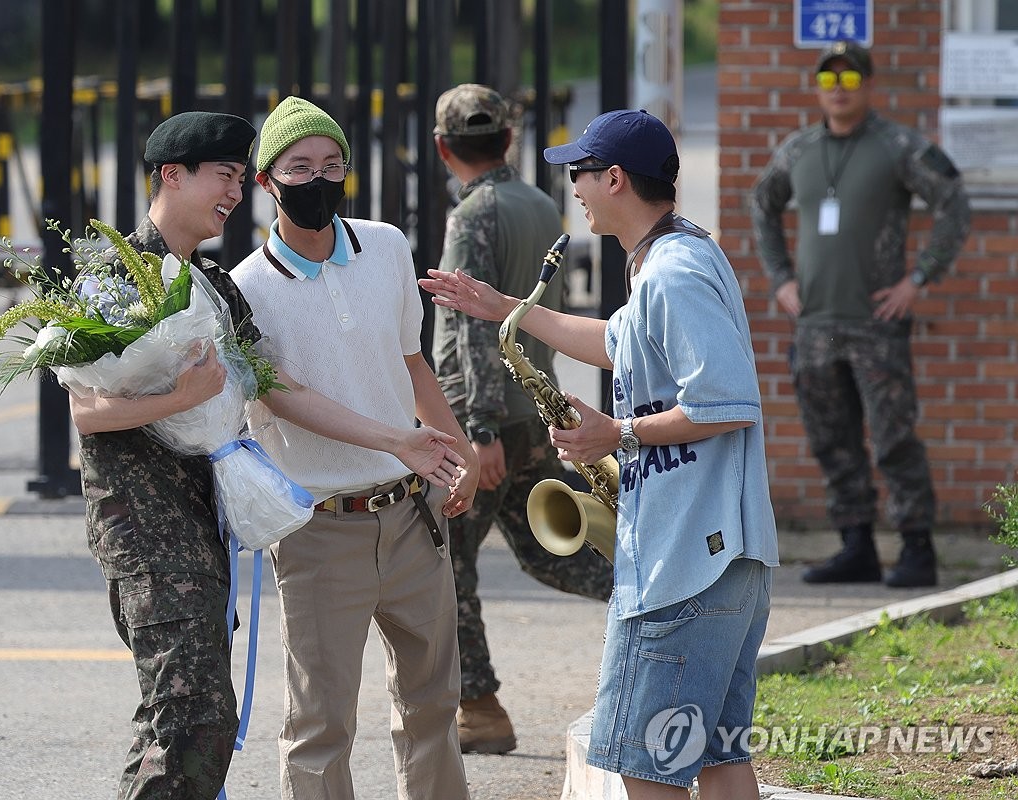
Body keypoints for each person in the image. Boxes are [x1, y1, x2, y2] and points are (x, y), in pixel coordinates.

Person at [69, 111, 467, 800]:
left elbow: (278, 387)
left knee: (198, 717)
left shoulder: (213, 288)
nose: (231, 192)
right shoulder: (116, 277)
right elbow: (84, 409)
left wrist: (404, 438)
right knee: (190, 717)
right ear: (172, 174)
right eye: (223, 174)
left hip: (208, 532)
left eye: (233, 176)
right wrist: (181, 396)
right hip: (152, 535)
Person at [421, 108, 779, 799]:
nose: (574, 188)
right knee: (719, 757)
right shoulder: (674, 256)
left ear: (614, 178)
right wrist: (505, 310)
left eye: (580, 174)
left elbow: (727, 403)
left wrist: (617, 434)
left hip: (685, 567)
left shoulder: (673, 272)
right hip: (720, 561)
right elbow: (619, 341)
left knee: (645, 767)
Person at [230, 96, 479, 800]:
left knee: (433, 703)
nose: (319, 179)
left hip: (411, 516)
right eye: (300, 167)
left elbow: (412, 363)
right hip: (317, 530)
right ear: (265, 182)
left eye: (332, 165)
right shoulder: (247, 290)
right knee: (320, 723)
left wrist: (458, 455)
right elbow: (277, 395)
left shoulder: (388, 246)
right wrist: (400, 440)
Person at [430, 83, 613, 755]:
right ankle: (650, 600)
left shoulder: (472, 214)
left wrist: (475, 429)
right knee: (548, 552)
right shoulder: (541, 202)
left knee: (445, 563)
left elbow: (476, 325)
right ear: (508, 140)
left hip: (486, 421)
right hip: (531, 411)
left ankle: (478, 709)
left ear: (444, 148)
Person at [751, 41, 971, 588]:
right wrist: (780, 279)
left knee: (894, 438)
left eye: (849, 81)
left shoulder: (897, 146)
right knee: (833, 440)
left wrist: (917, 279)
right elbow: (761, 204)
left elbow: (953, 200)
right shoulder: (798, 151)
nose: (839, 92)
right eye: (830, 81)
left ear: (868, 86)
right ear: (819, 89)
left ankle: (917, 548)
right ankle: (857, 546)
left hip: (876, 325)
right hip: (816, 325)